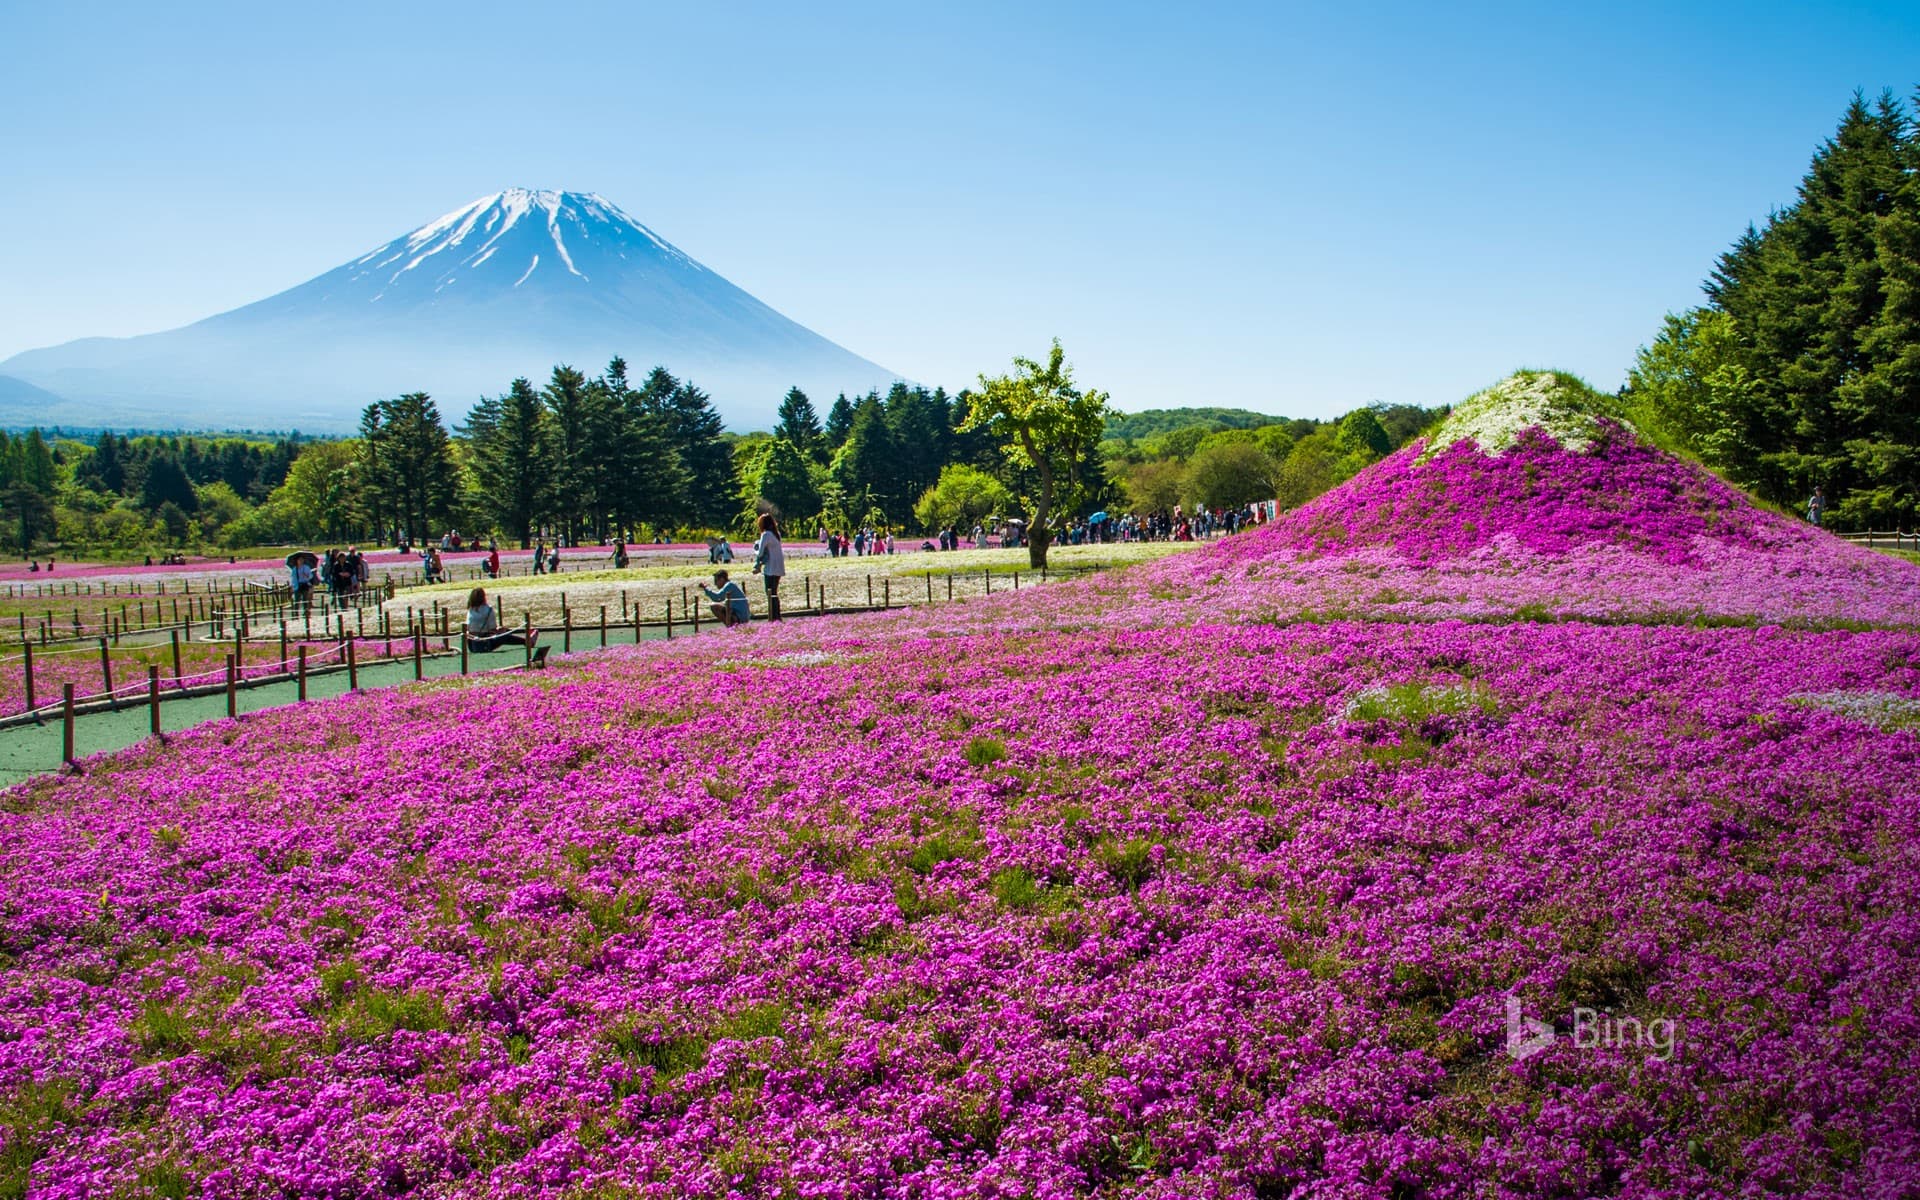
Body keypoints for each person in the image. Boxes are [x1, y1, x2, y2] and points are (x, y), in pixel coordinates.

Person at [466, 587, 539, 652]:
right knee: (504, 634)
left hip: (472, 646)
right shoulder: (488, 609)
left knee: (504, 631)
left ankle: (526, 641)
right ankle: (527, 642)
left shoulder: (470, 610)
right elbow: (492, 630)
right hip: (484, 645)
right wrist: (500, 630)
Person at [752, 514, 785, 621]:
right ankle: (777, 616)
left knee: (769, 593)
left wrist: (755, 549)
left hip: (770, 568)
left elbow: (760, 552)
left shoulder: (766, 535)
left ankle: (773, 617)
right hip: (779, 567)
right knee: (774, 593)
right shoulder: (776, 534)